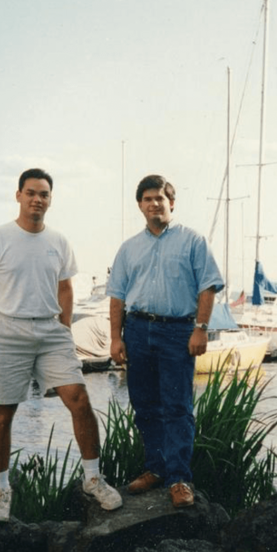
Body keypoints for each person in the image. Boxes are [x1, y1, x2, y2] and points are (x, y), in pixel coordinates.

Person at [0, 168, 122, 521]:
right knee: (2, 415)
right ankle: (2, 491)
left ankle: (93, 479)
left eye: (44, 194)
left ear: (50, 200)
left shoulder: (59, 241)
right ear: (18, 195)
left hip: (51, 332)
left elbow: (65, 287)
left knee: (79, 400)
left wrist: (65, 327)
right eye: (32, 192)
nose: (38, 199)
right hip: (7, 332)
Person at [106, 174, 224, 508]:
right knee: (145, 406)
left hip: (178, 333)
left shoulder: (193, 241)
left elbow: (208, 286)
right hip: (138, 331)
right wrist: (116, 338)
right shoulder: (129, 248)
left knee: (177, 407)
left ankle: (179, 478)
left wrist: (201, 328)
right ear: (140, 206)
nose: (154, 204)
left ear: (171, 203)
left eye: (160, 198)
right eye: (147, 199)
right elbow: (116, 296)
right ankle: (155, 470)